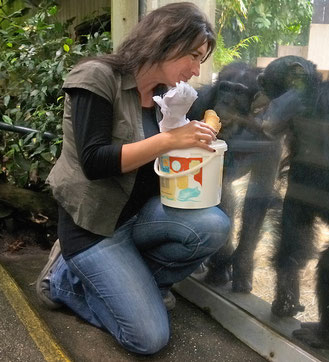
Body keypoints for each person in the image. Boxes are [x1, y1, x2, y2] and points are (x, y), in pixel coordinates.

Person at [35, 3, 230, 354]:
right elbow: (94, 162)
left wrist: (195, 147)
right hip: (93, 228)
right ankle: (63, 281)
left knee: (213, 224)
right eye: (194, 56)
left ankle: (135, 285)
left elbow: (163, 161)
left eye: (201, 60)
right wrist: (170, 140)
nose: (196, 69)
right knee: (149, 338)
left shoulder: (165, 98)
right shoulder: (96, 77)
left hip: (138, 216)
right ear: (165, 41)